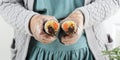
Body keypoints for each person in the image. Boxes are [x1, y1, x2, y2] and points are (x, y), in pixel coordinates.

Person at [0, 0, 120, 60]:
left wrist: (83, 16)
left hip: (88, 54)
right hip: (33, 54)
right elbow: (6, 3)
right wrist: (31, 21)